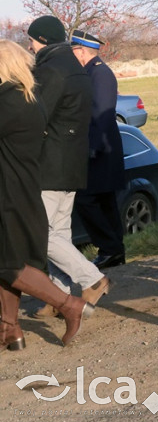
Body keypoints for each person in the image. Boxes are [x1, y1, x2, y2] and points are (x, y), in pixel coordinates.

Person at [0, 40, 94, 350]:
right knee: (9, 261)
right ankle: (11, 331)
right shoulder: (29, 97)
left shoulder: (8, 101)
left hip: (9, 191)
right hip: (22, 186)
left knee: (9, 265)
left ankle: (70, 305)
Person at [26, 16, 110, 315]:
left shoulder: (50, 71)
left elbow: (38, 117)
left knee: (40, 234)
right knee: (58, 233)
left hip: (51, 163)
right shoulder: (74, 66)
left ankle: (93, 278)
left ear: (44, 40)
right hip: (71, 162)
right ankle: (58, 296)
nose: (30, 46)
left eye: (32, 40)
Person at [69, 29, 126, 269]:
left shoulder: (100, 73)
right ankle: (113, 251)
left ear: (81, 51)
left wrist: (92, 148)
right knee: (104, 201)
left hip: (100, 149)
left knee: (87, 199)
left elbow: (102, 113)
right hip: (98, 147)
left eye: (73, 50)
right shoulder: (89, 71)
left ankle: (110, 248)